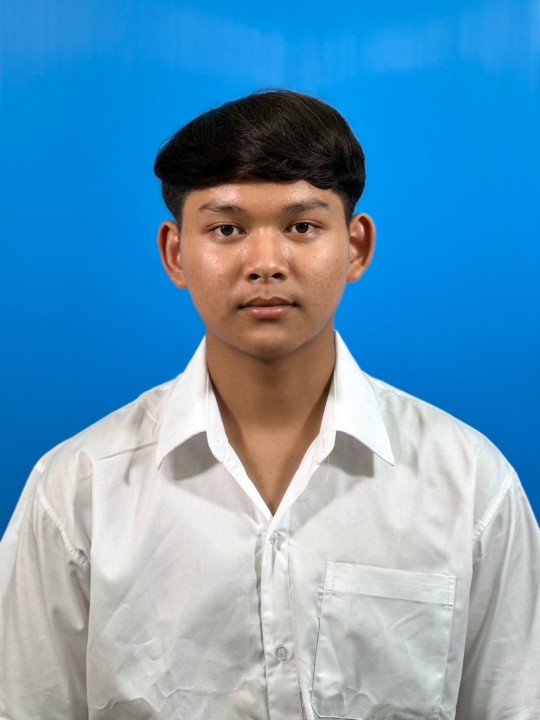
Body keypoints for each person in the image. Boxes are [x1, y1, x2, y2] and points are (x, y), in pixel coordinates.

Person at [0, 90, 538, 720]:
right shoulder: (78, 492)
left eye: (301, 227)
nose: (265, 264)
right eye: (226, 229)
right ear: (175, 253)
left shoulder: (469, 484)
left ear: (356, 247)